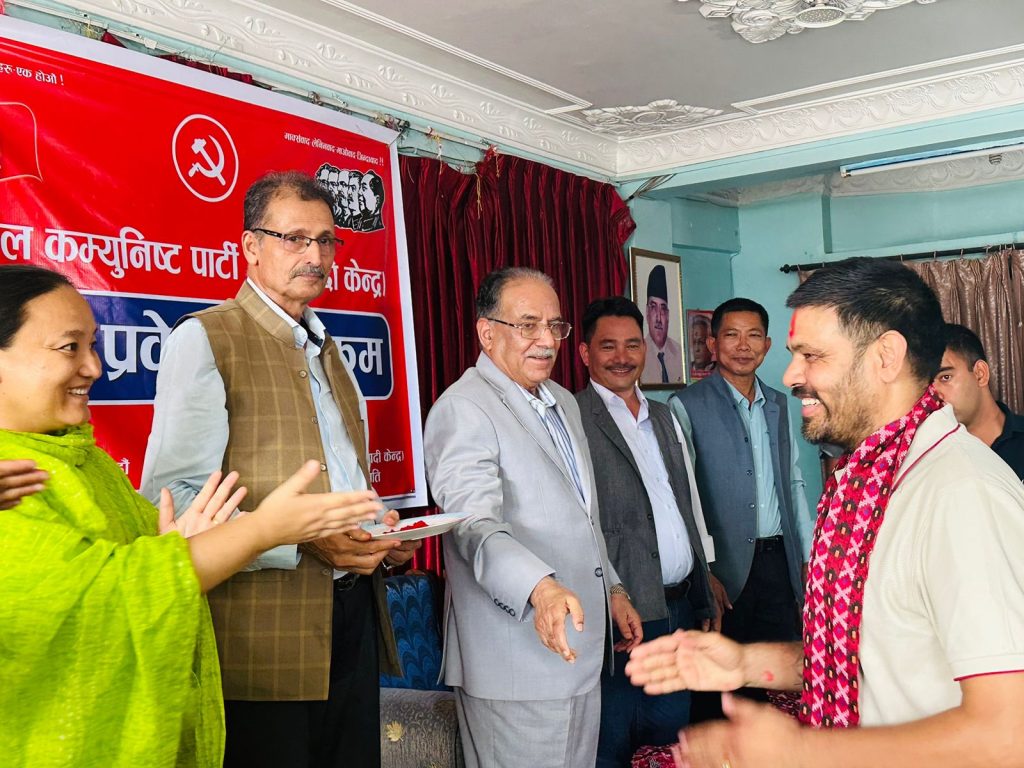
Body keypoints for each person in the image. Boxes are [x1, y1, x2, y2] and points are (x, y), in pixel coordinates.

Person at [627, 258, 1024, 768]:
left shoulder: (961, 494)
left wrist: (800, 751)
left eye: (812, 356)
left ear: (886, 356)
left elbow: (1008, 733)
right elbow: (872, 656)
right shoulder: (870, 481)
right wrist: (745, 662)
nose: (791, 376)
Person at [0, 264, 383, 768]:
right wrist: (264, 529)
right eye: (69, 348)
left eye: (93, 345)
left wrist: (183, 544)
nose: (93, 367)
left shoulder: (87, 460)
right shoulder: (11, 478)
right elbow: (110, 594)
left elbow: (152, 561)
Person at [141, 170, 417, 768]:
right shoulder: (208, 338)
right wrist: (303, 539)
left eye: (326, 241)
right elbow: (174, 497)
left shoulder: (329, 348)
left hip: (352, 616)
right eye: (294, 238)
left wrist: (380, 531)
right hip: (260, 638)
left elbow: (346, 482)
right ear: (250, 246)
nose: (315, 256)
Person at [423, 267, 642, 768]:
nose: (546, 340)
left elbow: (582, 515)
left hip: (577, 653)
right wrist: (540, 589)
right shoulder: (463, 409)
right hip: (515, 664)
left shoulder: (562, 400)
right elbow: (473, 527)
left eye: (555, 325)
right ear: (487, 332)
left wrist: (612, 588)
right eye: (527, 325)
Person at [575, 296, 719, 767]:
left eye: (632, 345)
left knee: (670, 742)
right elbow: (575, 521)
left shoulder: (663, 415)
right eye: (608, 346)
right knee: (613, 744)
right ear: (585, 353)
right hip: (625, 615)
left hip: (678, 607)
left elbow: (686, 501)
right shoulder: (572, 418)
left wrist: (704, 585)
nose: (622, 357)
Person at [669, 298, 812, 648]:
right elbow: (682, 497)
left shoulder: (778, 403)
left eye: (754, 335)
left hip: (780, 563)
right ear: (713, 344)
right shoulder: (685, 405)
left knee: (783, 665)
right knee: (726, 672)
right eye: (732, 335)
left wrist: (808, 557)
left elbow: (793, 482)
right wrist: (704, 572)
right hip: (725, 569)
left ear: (767, 345)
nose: (743, 346)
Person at [933, 323, 1024, 479]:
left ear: (980, 374)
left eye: (945, 377)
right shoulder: (930, 458)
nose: (935, 394)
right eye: (926, 386)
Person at [642, 265, 684, 385]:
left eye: (663, 309)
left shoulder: (679, 353)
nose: (659, 318)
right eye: (653, 307)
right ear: (647, 312)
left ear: (668, 315)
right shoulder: (639, 354)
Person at [689, 313, 714, 377]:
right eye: (694, 342)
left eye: (701, 342)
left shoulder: (721, 371)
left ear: (711, 344)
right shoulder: (686, 369)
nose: (696, 349)